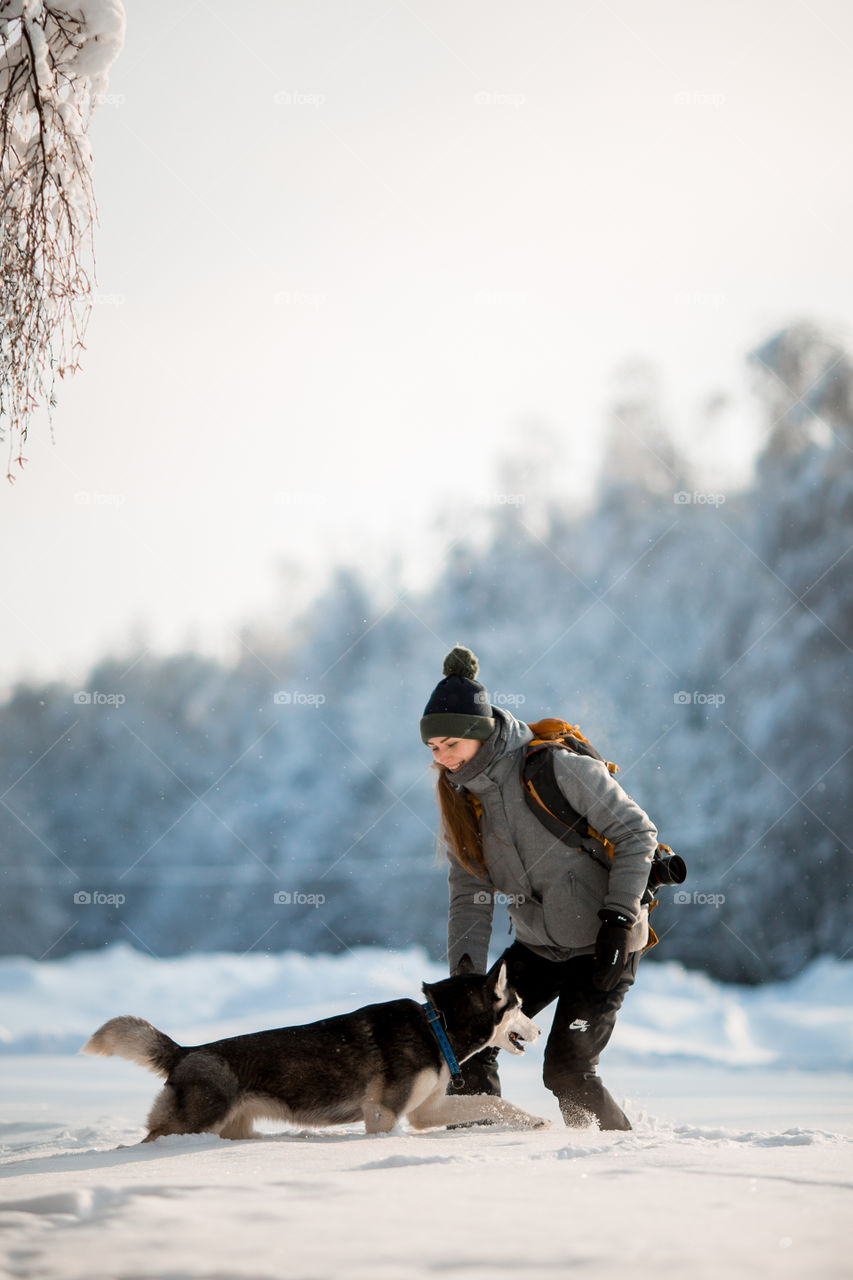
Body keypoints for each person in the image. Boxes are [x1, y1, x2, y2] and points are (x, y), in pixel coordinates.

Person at [421, 644, 658, 1131]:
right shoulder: (463, 801)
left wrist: (618, 919)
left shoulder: (555, 768)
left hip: (603, 944)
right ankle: (482, 1150)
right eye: (433, 749)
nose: (443, 758)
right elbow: (469, 897)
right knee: (464, 1039)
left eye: (451, 744)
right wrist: (466, 979)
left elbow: (637, 835)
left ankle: (616, 1157)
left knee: (568, 1072)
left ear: (478, 732)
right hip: (539, 948)